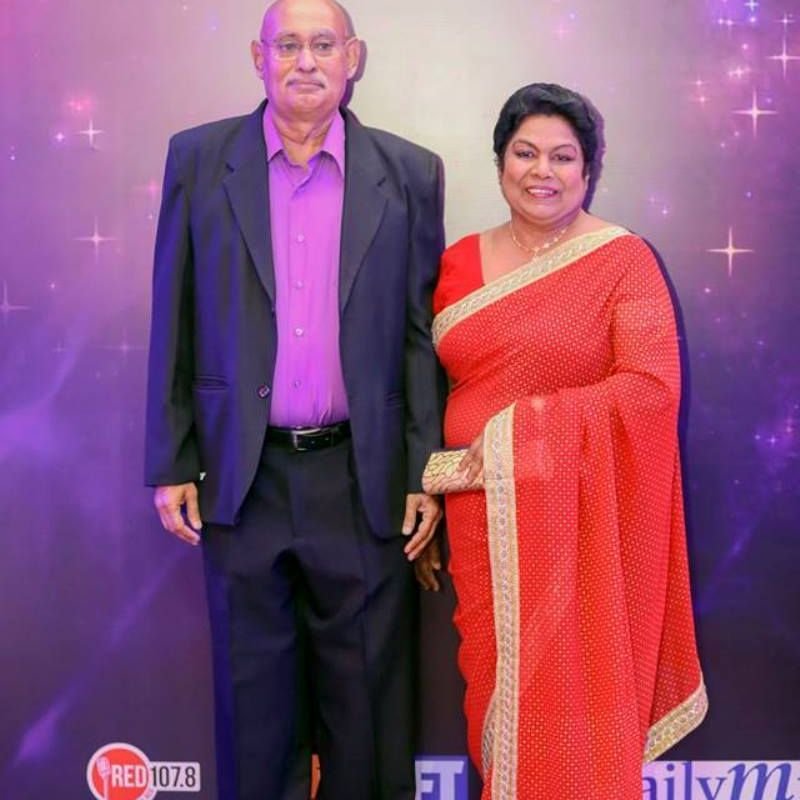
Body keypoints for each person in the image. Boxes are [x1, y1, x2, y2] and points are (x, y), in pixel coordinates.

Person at [144, 0, 445, 797]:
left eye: (322, 44)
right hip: (242, 476)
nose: (305, 61)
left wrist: (423, 468)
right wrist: (170, 458)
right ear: (259, 57)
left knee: (368, 716)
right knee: (256, 716)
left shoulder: (410, 173)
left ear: (354, 57)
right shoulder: (198, 160)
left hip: (362, 478)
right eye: (287, 45)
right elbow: (173, 311)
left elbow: (419, 335)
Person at [416, 83, 707, 799]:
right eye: (525, 153)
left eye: (562, 156)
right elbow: (423, 389)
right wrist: (426, 486)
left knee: (576, 708)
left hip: (581, 526)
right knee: (495, 702)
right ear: (500, 163)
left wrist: (529, 426)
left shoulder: (623, 260)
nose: (541, 171)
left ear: (588, 169)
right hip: (480, 521)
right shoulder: (456, 264)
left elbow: (651, 389)